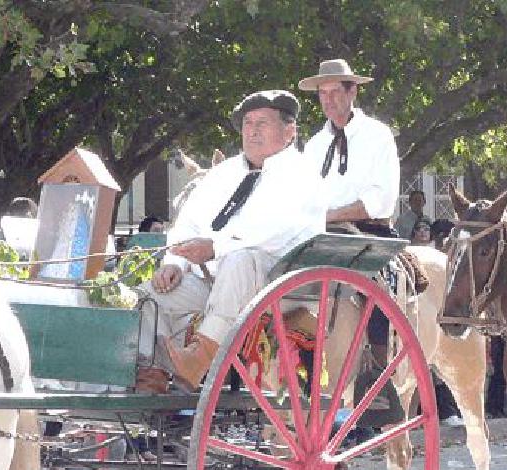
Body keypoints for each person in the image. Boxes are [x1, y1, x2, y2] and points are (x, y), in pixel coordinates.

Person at [134, 90, 325, 393]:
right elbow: (189, 222)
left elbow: (275, 227)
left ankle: (199, 358)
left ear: (289, 132)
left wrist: (215, 247)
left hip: (278, 283)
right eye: (248, 123)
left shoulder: (302, 173)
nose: (252, 131)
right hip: (216, 283)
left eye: (263, 123)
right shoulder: (223, 174)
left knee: (240, 259)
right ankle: (153, 372)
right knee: (148, 297)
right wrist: (175, 262)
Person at [299, 58, 404, 424]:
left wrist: (329, 216)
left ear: (352, 91)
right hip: (321, 236)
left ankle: (375, 372)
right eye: (321, 94)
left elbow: (381, 199)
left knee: (377, 287)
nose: (327, 100)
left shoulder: (378, 135)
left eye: (333, 92)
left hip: (369, 231)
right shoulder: (313, 146)